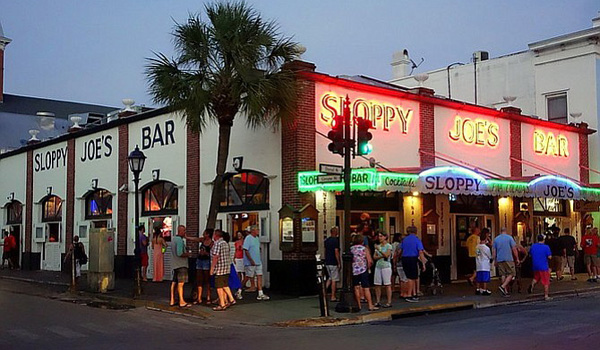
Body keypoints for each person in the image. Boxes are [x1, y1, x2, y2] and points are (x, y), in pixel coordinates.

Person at [399, 225, 426, 303]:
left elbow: (401, 250)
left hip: (404, 259)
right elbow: (420, 251)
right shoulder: (417, 240)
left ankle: (413, 294)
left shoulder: (404, 240)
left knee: (408, 276)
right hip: (413, 258)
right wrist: (423, 263)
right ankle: (409, 294)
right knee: (412, 277)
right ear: (416, 231)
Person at [210, 230, 236, 311]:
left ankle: (222, 304)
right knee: (225, 285)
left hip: (219, 269)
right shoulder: (225, 243)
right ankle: (231, 299)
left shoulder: (218, 244)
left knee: (219, 287)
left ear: (216, 235)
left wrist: (212, 268)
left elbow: (215, 257)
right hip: (226, 268)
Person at [242, 226, 270, 300]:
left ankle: (260, 293)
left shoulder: (257, 239)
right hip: (250, 262)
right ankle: (239, 289)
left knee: (259, 275)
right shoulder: (248, 238)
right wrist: (251, 260)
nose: (258, 231)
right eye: (257, 229)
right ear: (252, 230)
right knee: (247, 276)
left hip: (258, 261)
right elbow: (246, 250)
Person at [187, 229, 214, 304]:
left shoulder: (211, 243)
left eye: (205, 233)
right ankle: (199, 297)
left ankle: (208, 296)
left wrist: (205, 253)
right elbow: (196, 239)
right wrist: (187, 237)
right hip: (199, 260)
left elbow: (212, 254)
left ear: (208, 235)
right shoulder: (203, 240)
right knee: (199, 279)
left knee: (207, 279)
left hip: (206, 261)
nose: (203, 234)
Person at [351, 234, 377, 311]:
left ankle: (359, 305)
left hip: (354, 270)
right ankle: (370, 305)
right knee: (366, 288)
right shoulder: (364, 249)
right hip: (363, 269)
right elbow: (369, 261)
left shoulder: (351, 249)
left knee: (356, 287)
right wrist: (369, 267)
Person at [493, 227, 519, 297]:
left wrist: (494, 260)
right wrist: (517, 258)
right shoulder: (509, 238)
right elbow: (514, 249)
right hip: (508, 258)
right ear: (506, 231)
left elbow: (494, 251)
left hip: (500, 258)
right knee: (512, 273)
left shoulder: (496, 239)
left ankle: (505, 291)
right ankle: (503, 286)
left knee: (503, 274)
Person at [170, 225, 191, 308]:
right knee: (181, 284)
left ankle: (172, 299)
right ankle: (181, 301)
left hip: (175, 264)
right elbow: (179, 253)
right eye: (184, 231)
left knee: (174, 283)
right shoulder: (179, 241)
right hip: (181, 264)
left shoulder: (173, 239)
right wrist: (187, 254)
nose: (185, 232)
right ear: (180, 231)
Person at [528, 234, 553, 300]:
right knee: (546, 281)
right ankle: (546, 295)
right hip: (543, 266)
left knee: (536, 277)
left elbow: (530, 254)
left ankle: (532, 285)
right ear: (543, 240)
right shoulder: (546, 247)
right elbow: (549, 257)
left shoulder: (533, 246)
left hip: (535, 265)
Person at [373, 232, 393, 308]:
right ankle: (378, 301)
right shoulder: (378, 246)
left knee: (387, 284)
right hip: (378, 266)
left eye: (381, 236)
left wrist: (380, 250)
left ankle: (389, 301)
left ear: (385, 237)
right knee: (377, 284)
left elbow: (387, 255)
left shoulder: (389, 246)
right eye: (378, 236)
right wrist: (381, 256)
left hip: (386, 266)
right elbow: (374, 257)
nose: (379, 238)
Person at [324, 227, 341, 302]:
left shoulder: (327, 240)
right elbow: (336, 252)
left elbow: (325, 251)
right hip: (333, 262)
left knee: (330, 278)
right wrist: (339, 262)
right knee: (334, 279)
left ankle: (323, 292)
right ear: (335, 232)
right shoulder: (335, 241)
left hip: (327, 261)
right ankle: (333, 296)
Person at [475, 230, 492, 295]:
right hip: (485, 264)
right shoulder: (486, 248)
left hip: (478, 263)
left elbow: (477, 254)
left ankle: (478, 289)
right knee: (485, 278)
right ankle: (484, 289)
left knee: (478, 278)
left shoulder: (477, 247)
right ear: (485, 239)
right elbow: (489, 256)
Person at [393, 234, 410, 298]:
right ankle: (405, 293)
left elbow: (395, 256)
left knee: (401, 279)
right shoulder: (406, 246)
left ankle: (402, 292)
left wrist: (394, 264)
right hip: (404, 263)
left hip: (398, 264)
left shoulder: (398, 246)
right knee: (405, 279)